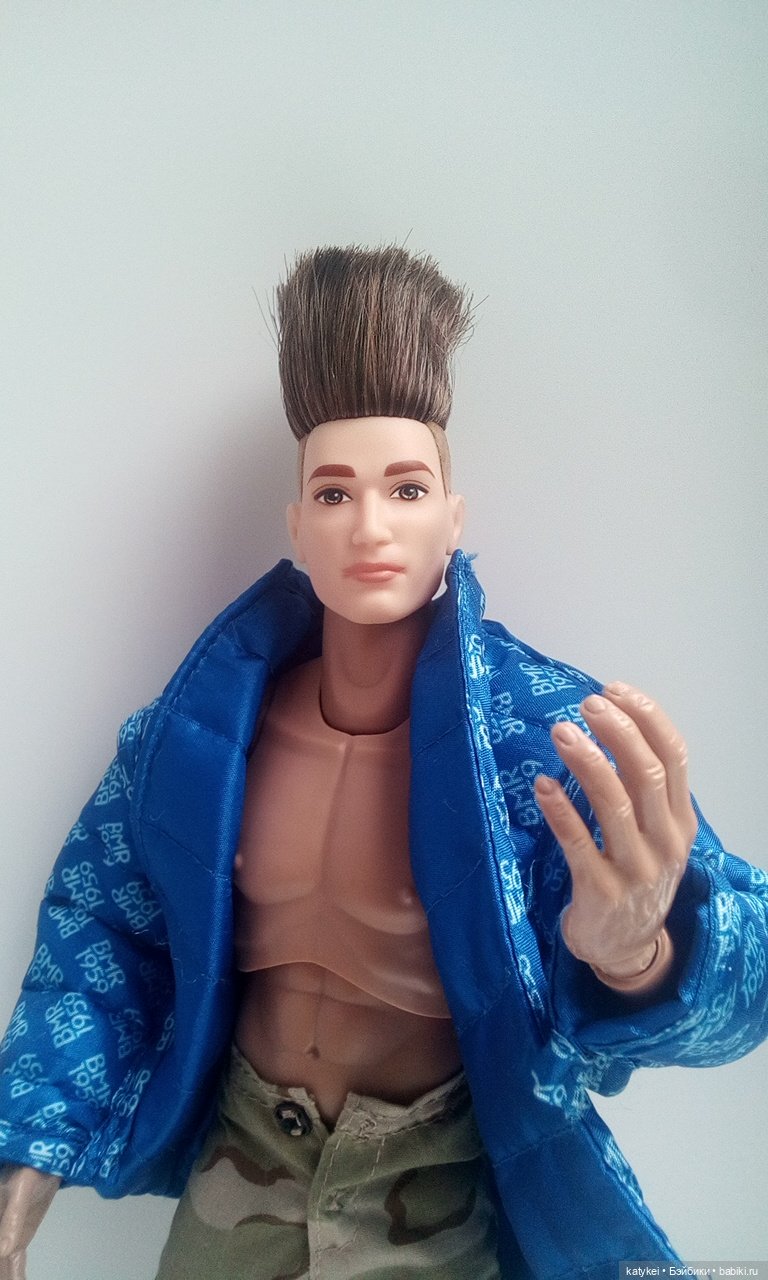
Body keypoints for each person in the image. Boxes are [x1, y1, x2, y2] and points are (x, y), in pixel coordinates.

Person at [0, 245, 766, 1280]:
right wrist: (29, 1147)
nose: (370, 526)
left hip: (436, 1180)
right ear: (296, 526)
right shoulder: (194, 741)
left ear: (454, 518)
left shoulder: (540, 740)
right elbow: (100, 935)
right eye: (334, 493)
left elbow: (748, 984)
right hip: (242, 1161)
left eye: (407, 489)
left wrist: (643, 956)